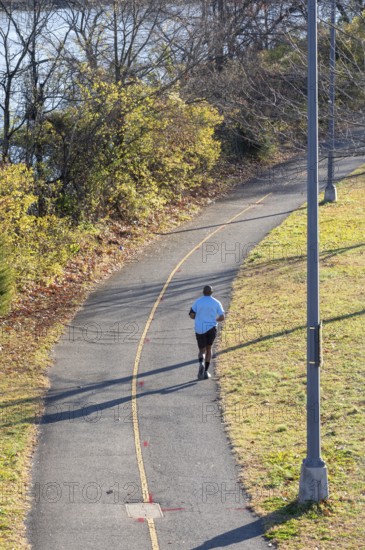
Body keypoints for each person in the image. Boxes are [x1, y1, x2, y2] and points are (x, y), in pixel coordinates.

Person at [189, 285, 225, 380]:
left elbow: (191, 314)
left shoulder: (198, 302)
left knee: (202, 350)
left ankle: (201, 361)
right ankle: (205, 372)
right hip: (211, 328)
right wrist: (214, 320)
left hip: (199, 329)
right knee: (209, 349)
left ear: (203, 292)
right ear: (211, 292)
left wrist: (197, 317)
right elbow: (222, 317)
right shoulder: (216, 302)